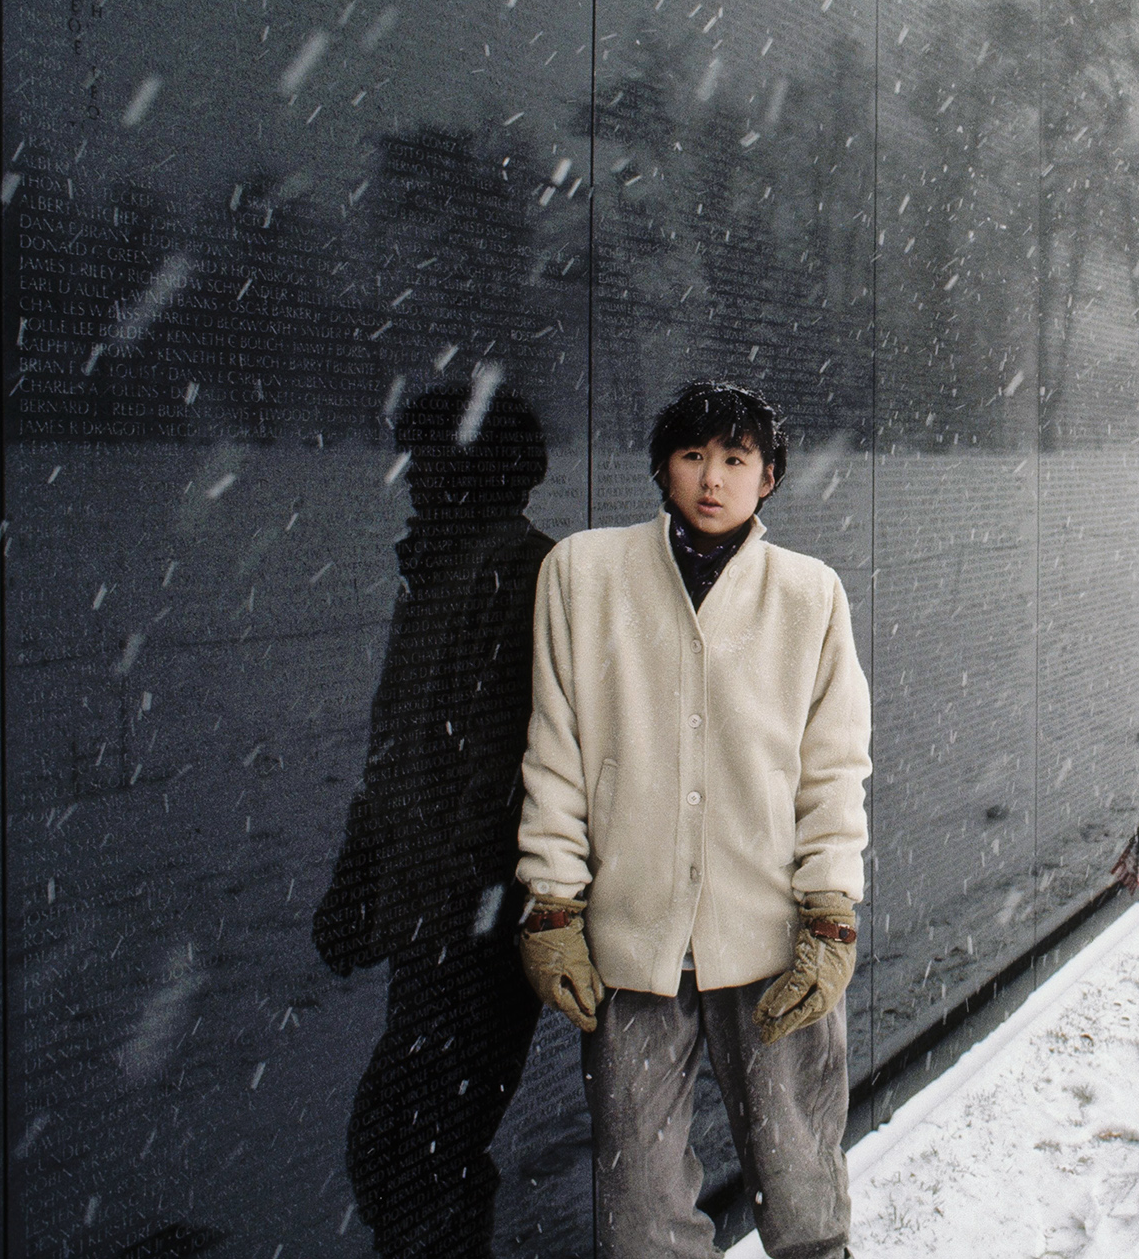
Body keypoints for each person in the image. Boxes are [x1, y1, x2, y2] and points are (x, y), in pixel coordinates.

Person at [512, 380, 871, 1259]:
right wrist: (553, 906)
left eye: (736, 460)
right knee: (638, 1207)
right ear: (664, 467)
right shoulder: (585, 576)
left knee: (802, 1184)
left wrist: (829, 915)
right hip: (633, 945)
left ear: (770, 478)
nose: (712, 478)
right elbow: (555, 749)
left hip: (771, 939)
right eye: (693, 456)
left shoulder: (808, 596)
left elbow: (833, 770)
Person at [313, 378, 553, 1259]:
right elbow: (397, 749)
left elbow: (502, 771)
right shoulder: (437, 575)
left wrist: (461, 910)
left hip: (470, 929)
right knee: (408, 1150)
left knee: (417, 1151)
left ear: (477, 470)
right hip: (432, 921)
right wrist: (360, 873)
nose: (412, 477)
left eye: (431, 459)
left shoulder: (518, 576)